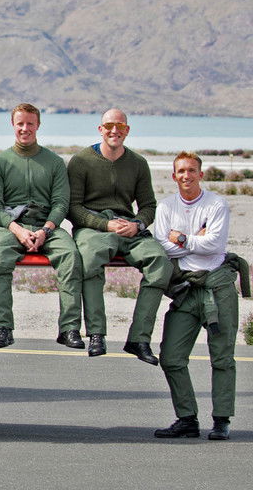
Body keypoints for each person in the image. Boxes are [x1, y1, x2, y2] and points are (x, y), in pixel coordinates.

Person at [152, 152, 247, 441]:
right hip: (186, 290)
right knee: (171, 357)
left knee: (222, 358)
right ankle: (187, 418)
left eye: (192, 170)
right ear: (174, 176)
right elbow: (161, 247)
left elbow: (214, 245)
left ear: (200, 174)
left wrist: (180, 238)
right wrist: (196, 242)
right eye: (181, 171)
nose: (186, 176)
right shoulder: (166, 206)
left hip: (217, 289)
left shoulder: (216, 203)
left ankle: (222, 420)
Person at [67, 109, 171, 363]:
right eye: (109, 126)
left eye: (120, 126)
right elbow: (73, 208)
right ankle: (96, 334)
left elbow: (149, 206)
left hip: (128, 227)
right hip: (94, 228)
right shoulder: (81, 161)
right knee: (90, 259)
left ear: (127, 130)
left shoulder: (138, 163)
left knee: (160, 262)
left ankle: (139, 338)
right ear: (100, 129)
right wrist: (104, 225)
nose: (115, 131)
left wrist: (137, 224)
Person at [0, 103, 84, 350]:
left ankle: (69, 328)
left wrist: (46, 230)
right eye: (20, 123)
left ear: (38, 125)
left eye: (30, 123)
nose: (25, 128)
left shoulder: (54, 162)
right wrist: (17, 229)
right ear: (13, 125)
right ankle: (2, 328)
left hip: (46, 226)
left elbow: (61, 203)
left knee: (71, 256)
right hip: (9, 228)